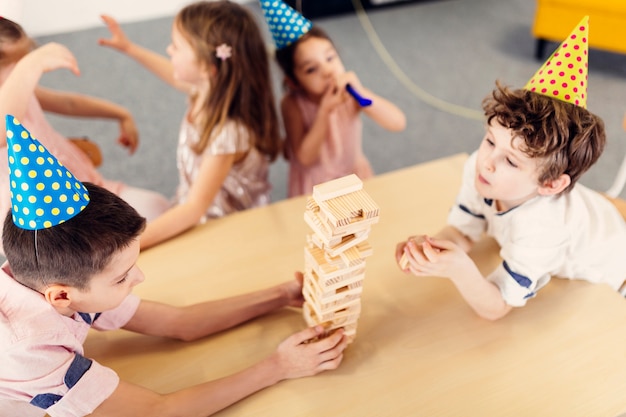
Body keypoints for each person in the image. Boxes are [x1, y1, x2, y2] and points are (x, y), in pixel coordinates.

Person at [0, 115, 347, 417]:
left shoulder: (54, 279)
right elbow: (160, 411)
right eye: (122, 277)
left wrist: (282, 294)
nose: (139, 277)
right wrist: (279, 367)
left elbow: (181, 323)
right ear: (61, 296)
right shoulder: (32, 349)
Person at [394, 16, 626, 321]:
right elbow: (464, 231)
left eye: (511, 161)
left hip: (613, 274)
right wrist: (429, 250)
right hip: (594, 215)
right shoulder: (481, 169)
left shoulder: (543, 228)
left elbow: (496, 307)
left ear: (551, 184)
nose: (487, 162)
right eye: (491, 141)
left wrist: (460, 269)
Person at [98, 0, 282, 250]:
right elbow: (173, 75)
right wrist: (130, 48)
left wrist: (128, 246)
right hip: (194, 202)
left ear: (208, 67)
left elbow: (194, 210)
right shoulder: (207, 90)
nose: (169, 50)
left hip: (219, 226)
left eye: (176, 46)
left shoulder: (227, 133)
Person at [0, 17, 171, 245]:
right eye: (13, 63)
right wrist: (27, 68)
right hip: (45, 218)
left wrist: (121, 113)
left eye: (24, 60)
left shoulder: (20, 88)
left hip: (83, 186)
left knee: (158, 208)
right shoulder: (13, 92)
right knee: (107, 248)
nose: (23, 70)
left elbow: (70, 103)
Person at [259, 0, 406, 197]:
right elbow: (305, 158)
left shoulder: (352, 94)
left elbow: (397, 122)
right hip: (315, 186)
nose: (328, 71)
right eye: (311, 69)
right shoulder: (292, 104)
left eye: (330, 58)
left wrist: (362, 93)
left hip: (353, 175)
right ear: (293, 82)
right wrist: (325, 111)